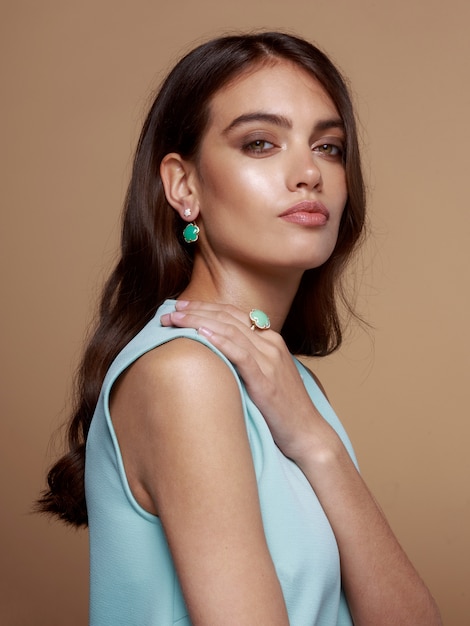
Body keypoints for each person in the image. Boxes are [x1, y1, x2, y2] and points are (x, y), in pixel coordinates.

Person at [37, 32, 442, 625]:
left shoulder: (288, 386)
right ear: (184, 187)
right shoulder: (185, 375)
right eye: (260, 143)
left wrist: (319, 444)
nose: (309, 172)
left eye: (329, 147)